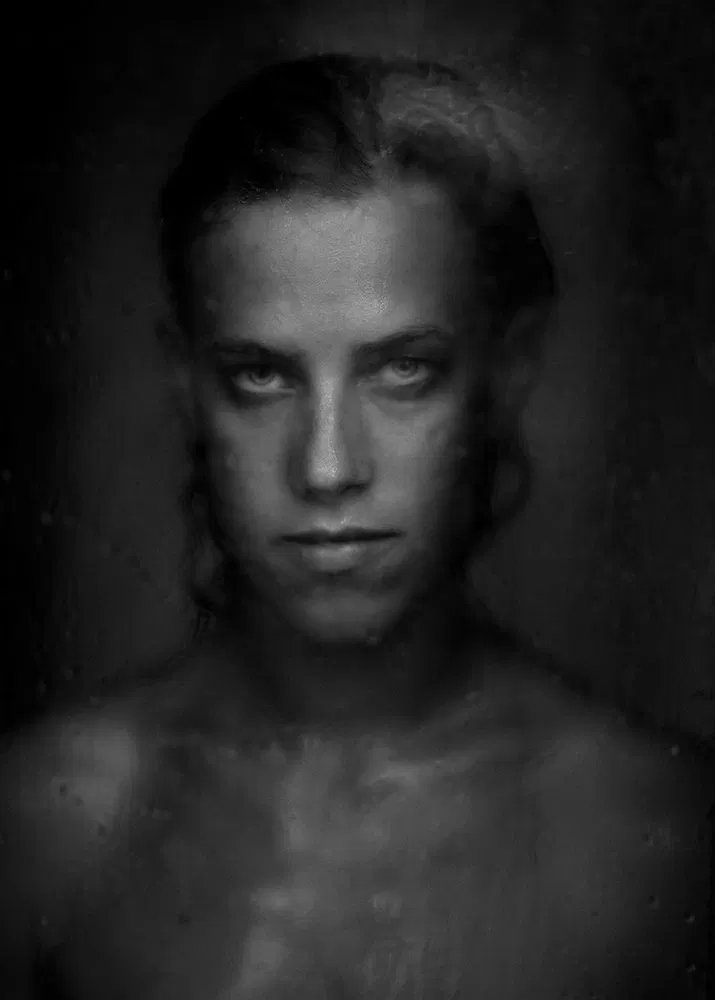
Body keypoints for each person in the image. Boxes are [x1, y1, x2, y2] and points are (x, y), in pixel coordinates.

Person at [0, 53, 711, 1000]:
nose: (328, 469)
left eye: (402, 371)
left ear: (508, 370)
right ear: (187, 384)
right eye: (260, 377)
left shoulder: (655, 840)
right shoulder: (48, 828)